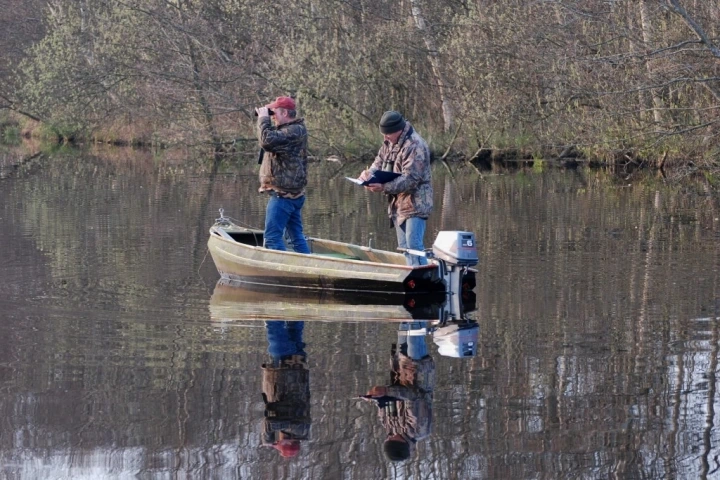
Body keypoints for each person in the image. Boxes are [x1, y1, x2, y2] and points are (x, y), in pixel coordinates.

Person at [359, 111, 433, 266]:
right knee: (405, 248)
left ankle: (425, 279)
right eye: (383, 134)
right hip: (398, 204)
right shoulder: (389, 142)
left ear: (398, 130)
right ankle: (412, 278)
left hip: (416, 203)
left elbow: (411, 179)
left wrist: (384, 186)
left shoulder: (415, 145)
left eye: (387, 134)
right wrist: (368, 175)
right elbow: (379, 162)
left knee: (414, 246)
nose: (385, 138)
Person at [359, 322, 435, 462]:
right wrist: (387, 391)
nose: (388, 437)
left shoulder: (389, 428)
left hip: (399, 369)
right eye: (391, 440)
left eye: (387, 440)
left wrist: (375, 397)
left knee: (404, 322)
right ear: (401, 444)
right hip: (417, 370)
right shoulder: (418, 430)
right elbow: (415, 397)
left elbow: (384, 406)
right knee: (415, 328)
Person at [255, 96, 311, 253]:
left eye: (275, 113)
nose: (272, 116)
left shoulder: (293, 131)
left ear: (285, 113)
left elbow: (266, 141)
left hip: (284, 196)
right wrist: (267, 119)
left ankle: (282, 273)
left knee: (272, 239)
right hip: (292, 194)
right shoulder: (293, 129)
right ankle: (307, 269)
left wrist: (263, 119)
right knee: (295, 237)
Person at [260, 320, 311, 458]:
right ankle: (271, 301)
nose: (279, 437)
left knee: (295, 325)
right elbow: (270, 424)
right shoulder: (298, 429)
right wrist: (268, 441)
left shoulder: (303, 428)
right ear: (287, 442)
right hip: (284, 366)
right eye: (280, 441)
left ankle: (298, 304)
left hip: (297, 365)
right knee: (274, 324)